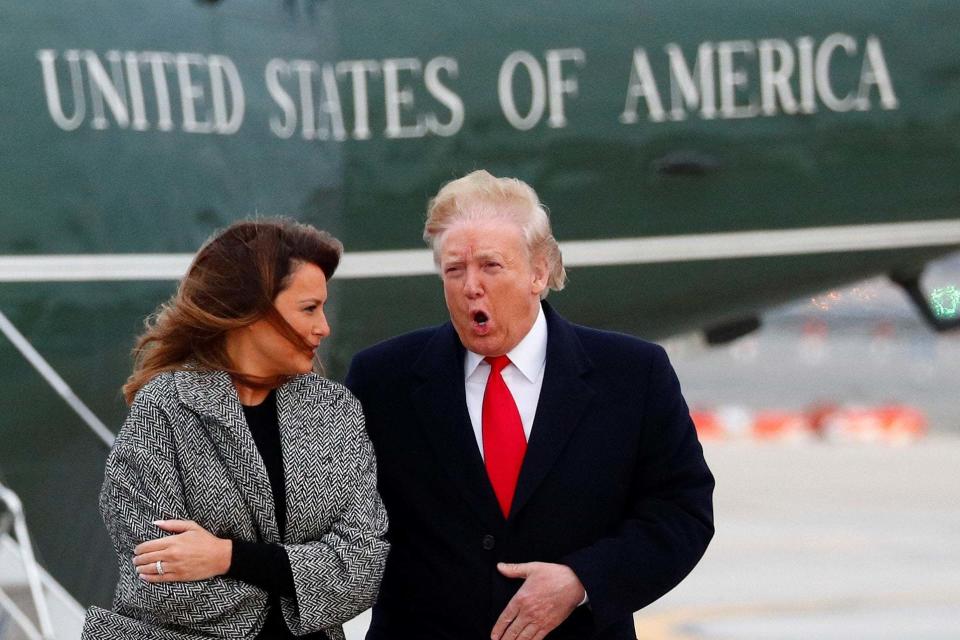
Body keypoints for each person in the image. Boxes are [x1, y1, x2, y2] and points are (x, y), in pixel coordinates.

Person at [345, 171, 714, 640]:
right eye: (454, 270)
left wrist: (583, 580)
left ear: (539, 272)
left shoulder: (632, 373)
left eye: (491, 266)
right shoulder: (383, 378)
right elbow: (342, 525)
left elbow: (682, 511)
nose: (470, 286)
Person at [82, 219, 388, 640]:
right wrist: (303, 579)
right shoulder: (164, 410)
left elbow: (363, 568)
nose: (324, 327)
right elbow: (157, 584)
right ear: (251, 311)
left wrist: (226, 557)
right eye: (308, 308)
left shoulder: (335, 411)